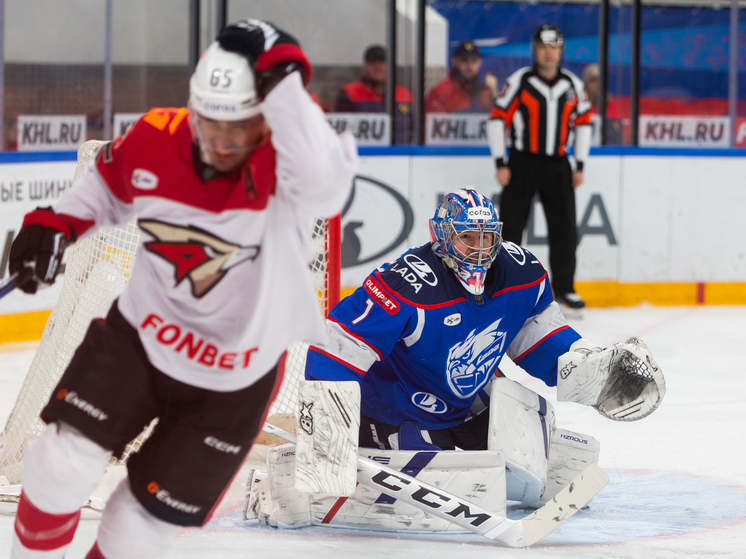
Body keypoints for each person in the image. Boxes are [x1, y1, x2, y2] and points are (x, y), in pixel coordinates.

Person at [8, 19, 357, 559]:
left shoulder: (285, 167)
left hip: (233, 380)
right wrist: (56, 223)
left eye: (239, 127)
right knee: (58, 467)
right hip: (139, 341)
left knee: (135, 532)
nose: (222, 141)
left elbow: (327, 184)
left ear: (267, 117)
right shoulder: (157, 136)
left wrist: (285, 77)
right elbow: (106, 189)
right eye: (210, 123)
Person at [286, 187, 664, 524]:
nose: (480, 249)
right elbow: (339, 345)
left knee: (552, 465)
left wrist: (587, 367)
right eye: (467, 237)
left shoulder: (522, 271)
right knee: (436, 481)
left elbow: (538, 337)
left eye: (487, 237)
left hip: (467, 401)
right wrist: (327, 431)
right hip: (394, 407)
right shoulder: (405, 282)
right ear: (443, 237)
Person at [487, 24, 592, 310]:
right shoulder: (520, 81)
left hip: (559, 165)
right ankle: (503, 286)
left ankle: (565, 289)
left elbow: (584, 124)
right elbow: (497, 119)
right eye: (544, 47)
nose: (549, 52)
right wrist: (500, 162)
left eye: (554, 47)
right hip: (523, 162)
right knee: (511, 229)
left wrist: (580, 165)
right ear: (535, 49)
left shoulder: (572, 84)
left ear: (561, 50)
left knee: (565, 231)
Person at [335, 44, 412, 143]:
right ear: (364, 68)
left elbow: (414, 130)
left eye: (382, 62)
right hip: (363, 150)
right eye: (372, 62)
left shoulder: (406, 96)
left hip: (399, 151)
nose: (377, 66)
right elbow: (341, 132)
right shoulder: (349, 93)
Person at [425, 41, 498, 113]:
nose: (469, 66)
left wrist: (494, 94)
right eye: (464, 60)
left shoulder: (487, 93)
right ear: (454, 62)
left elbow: (499, 116)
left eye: (474, 61)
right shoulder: (440, 92)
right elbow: (434, 119)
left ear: (480, 63)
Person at [582, 63, 623, 146]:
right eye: (593, 81)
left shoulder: (612, 104)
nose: (597, 84)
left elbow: (619, 138)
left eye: (600, 80)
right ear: (586, 84)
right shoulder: (580, 104)